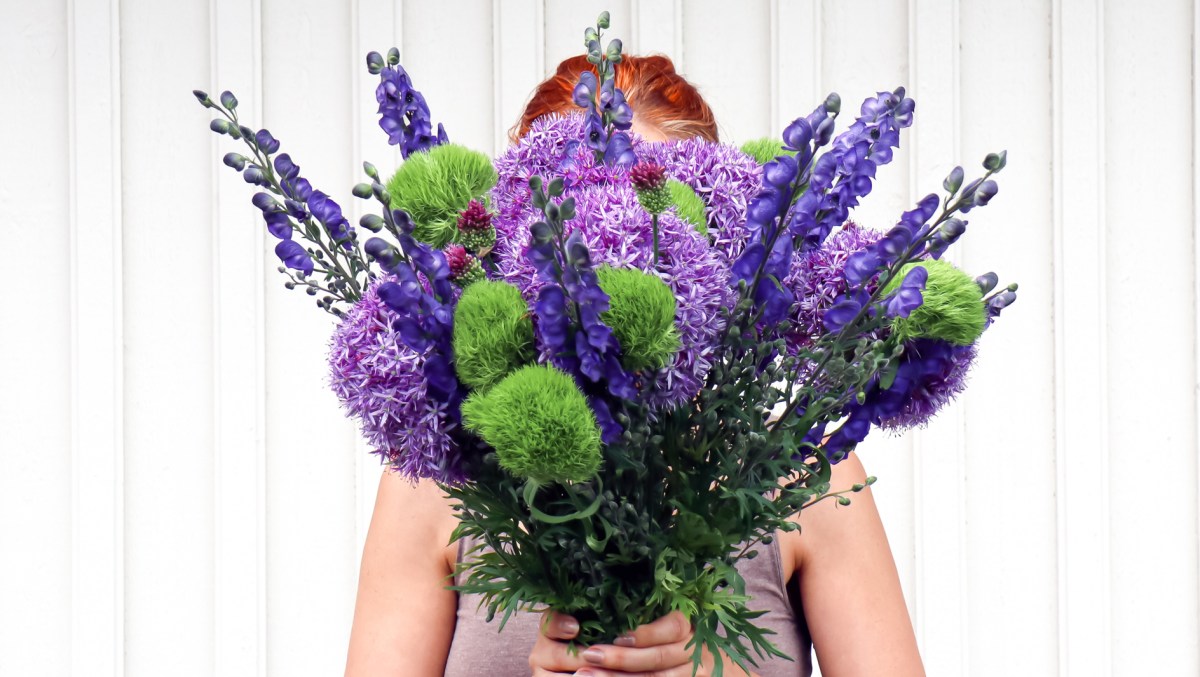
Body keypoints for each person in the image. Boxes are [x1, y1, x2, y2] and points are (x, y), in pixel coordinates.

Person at [343, 55, 925, 677]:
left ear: (723, 240)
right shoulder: (433, 484)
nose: (613, 259)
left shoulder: (808, 480)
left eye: (653, 214)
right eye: (574, 219)